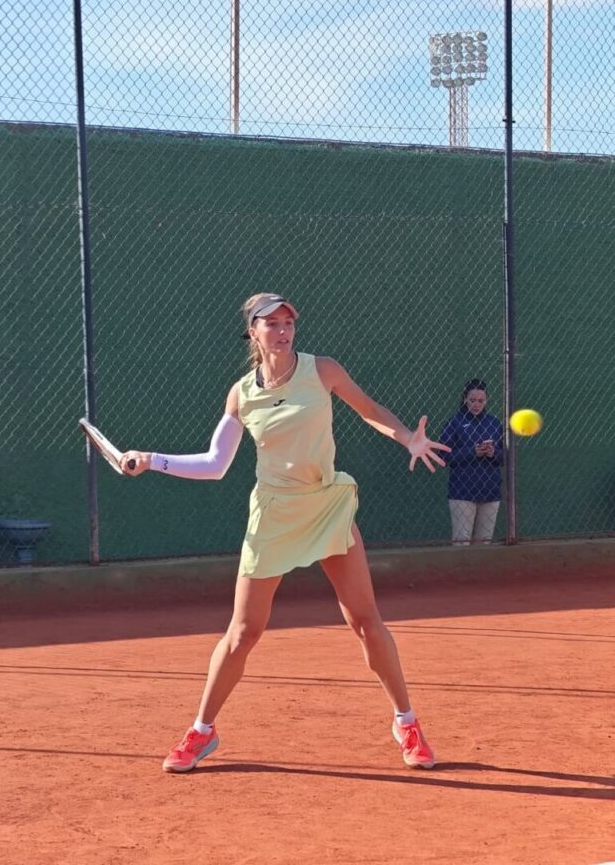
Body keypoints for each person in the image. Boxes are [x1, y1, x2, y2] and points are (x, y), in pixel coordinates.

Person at [108, 293, 450, 774]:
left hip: (326, 503)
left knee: (366, 622)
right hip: (273, 514)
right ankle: (202, 731)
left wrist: (407, 438)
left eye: (289, 322)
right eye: (272, 324)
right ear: (253, 332)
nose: (284, 330)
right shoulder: (241, 394)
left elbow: (368, 407)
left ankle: (406, 722)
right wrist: (152, 460)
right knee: (243, 632)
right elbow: (215, 465)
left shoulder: (323, 370)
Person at [439, 379, 504, 546]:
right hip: (462, 494)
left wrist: (493, 453)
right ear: (465, 399)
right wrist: (472, 452)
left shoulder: (494, 423)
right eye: (472, 400)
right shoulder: (454, 423)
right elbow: (443, 456)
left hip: (490, 492)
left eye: (481, 401)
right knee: (462, 543)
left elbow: (506, 457)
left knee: (484, 543)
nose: (477, 404)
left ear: (486, 401)